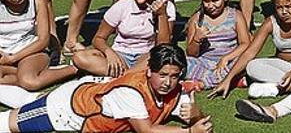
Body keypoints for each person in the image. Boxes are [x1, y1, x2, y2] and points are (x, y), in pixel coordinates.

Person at [0, 44, 214, 133]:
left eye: (174, 76)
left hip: (93, 90)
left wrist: (197, 116)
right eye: (163, 75)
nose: (168, 82)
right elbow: (146, 130)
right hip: (67, 108)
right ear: (149, 71)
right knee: (8, 124)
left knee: (32, 100)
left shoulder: (174, 91)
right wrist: (188, 130)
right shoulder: (131, 92)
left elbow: (202, 124)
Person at [209, 0, 291, 100]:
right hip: (280, 68)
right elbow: (250, 53)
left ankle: (276, 89)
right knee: (252, 66)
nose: (284, 11)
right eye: (279, 7)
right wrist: (228, 79)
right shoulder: (270, 22)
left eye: (288, 6)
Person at [72, 0, 175, 77]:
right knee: (79, 57)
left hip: (146, 57)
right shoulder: (121, 6)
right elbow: (98, 38)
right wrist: (109, 52)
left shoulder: (167, 7)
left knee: (162, 57)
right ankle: (133, 76)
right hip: (120, 55)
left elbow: (164, 45)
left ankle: (124, 76)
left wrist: (162, 15)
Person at [0, 0, 77, 91]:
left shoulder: (37, 3)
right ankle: (23, 72)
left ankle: (76, 69)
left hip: (30, 51)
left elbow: (43, 40)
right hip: (4, 55)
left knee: (29, 82)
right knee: (23, 78)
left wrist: (13, 58)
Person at [183, 0, 251, 91]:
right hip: (204, 63)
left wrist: (226, 58)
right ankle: (230, 80)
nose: (210, 6)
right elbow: (191, 54)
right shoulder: (197, 18)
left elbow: (245, 43)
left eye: (215, 1)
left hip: (229, 61)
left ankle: (202, 84)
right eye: (206, 1)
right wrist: (196, 39)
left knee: (244, 61)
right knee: (182, 63)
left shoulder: (236, 15)